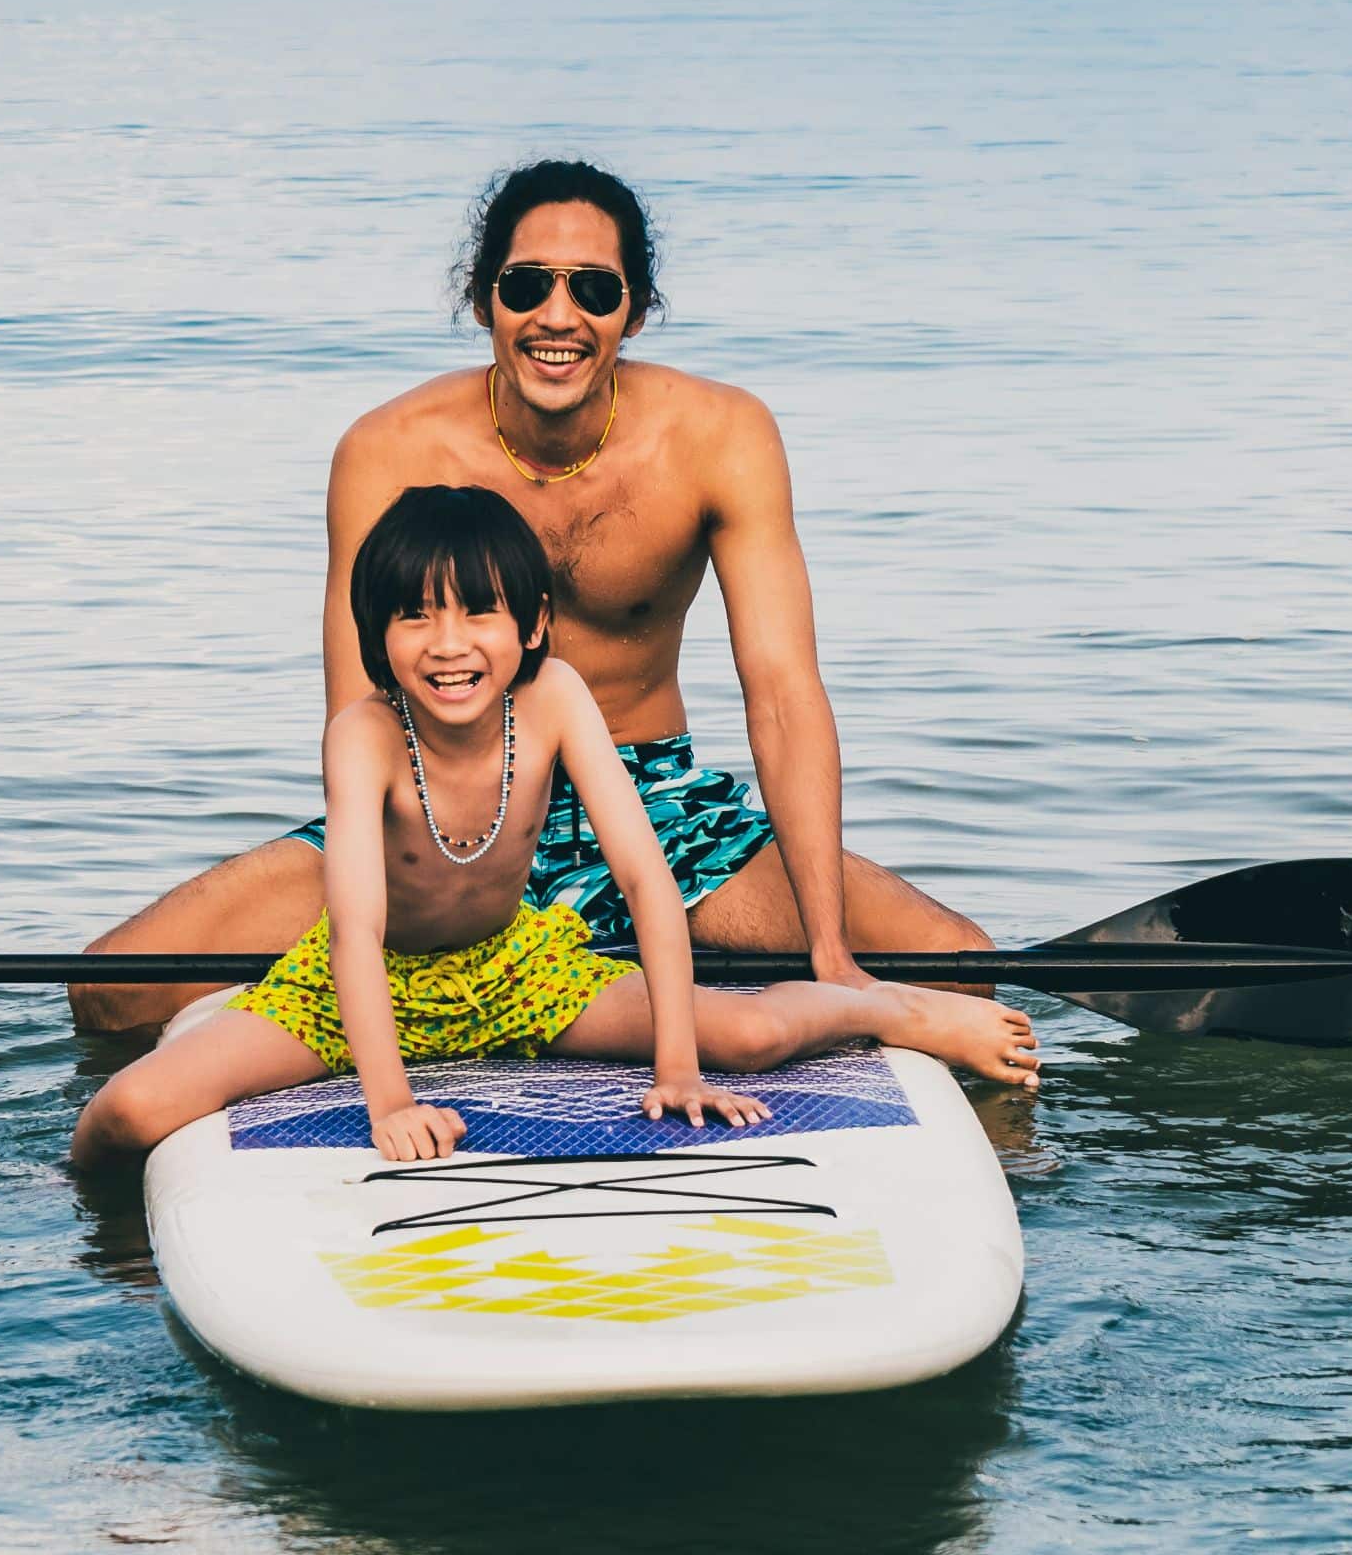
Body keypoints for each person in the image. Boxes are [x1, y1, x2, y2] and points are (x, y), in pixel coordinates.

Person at [71, 158, 997, 1039]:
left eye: (594, 288)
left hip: (658, 804)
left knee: (957, 967)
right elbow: (357, 703)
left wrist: (830, 950)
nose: (560, 315)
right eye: (527, 286)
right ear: (484, 301)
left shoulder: (721, 436)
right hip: (445, 803)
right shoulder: (389, 450)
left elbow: (785, 697)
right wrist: (406, 891)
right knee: (116, 990)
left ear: (634, 312)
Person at [70, 488, 1038, 1171]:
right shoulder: (361, 735)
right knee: (127, 1111)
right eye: (413, 618)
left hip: (520, 968)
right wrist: (389, 1100)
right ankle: (92, 1239)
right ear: (379, 639)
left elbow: (649, 882)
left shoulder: (557, 698)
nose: (448, 644)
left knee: (740, 1033)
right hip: (356, 990)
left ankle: (893, 1012)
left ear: (531, 623)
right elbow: (355, 934)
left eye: (477, 612)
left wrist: (673, 1065)